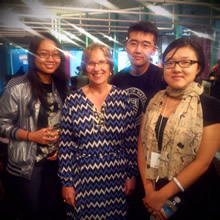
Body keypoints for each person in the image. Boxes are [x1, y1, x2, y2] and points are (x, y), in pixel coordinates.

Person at [138, 38, 220, 220]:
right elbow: (142, 147)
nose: (177, 68)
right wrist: (150, 191)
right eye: (170, 62)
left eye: (186, 62)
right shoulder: (152, 101)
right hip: (153, 185)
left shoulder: (210, 106)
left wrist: (162, 196)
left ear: (198, 68)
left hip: (193, 193)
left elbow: (202, 163)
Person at [58, 43, 138, 219]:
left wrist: (131, 174)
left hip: (117, 179)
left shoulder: (123, 98)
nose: (97, 68)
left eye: (102, 62)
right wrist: (67, 183)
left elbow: (131, 141)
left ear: (110, 67)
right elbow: (65, 146)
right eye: (91, 63)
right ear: (85, 68)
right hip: (82, 180)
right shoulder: (73, 100)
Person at [0, 32, 69, 220]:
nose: (50, 59)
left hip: (55, 163)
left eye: (55, 54)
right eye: (44, 54)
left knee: (53, 211)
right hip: (26, 166)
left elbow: (66, 124)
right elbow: (2, 123)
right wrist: (32, 136)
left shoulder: (62, 86)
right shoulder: (17, 87)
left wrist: (61, 144)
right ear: (33, 56)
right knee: (32, 213)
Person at [110, 21, 167, 219]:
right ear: (126, 46)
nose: (138, 49)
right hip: (123, 156)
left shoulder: (163, 78)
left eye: (145, 44)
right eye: (133, 43)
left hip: (154, 158)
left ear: (153, 49)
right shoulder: (116, 80)